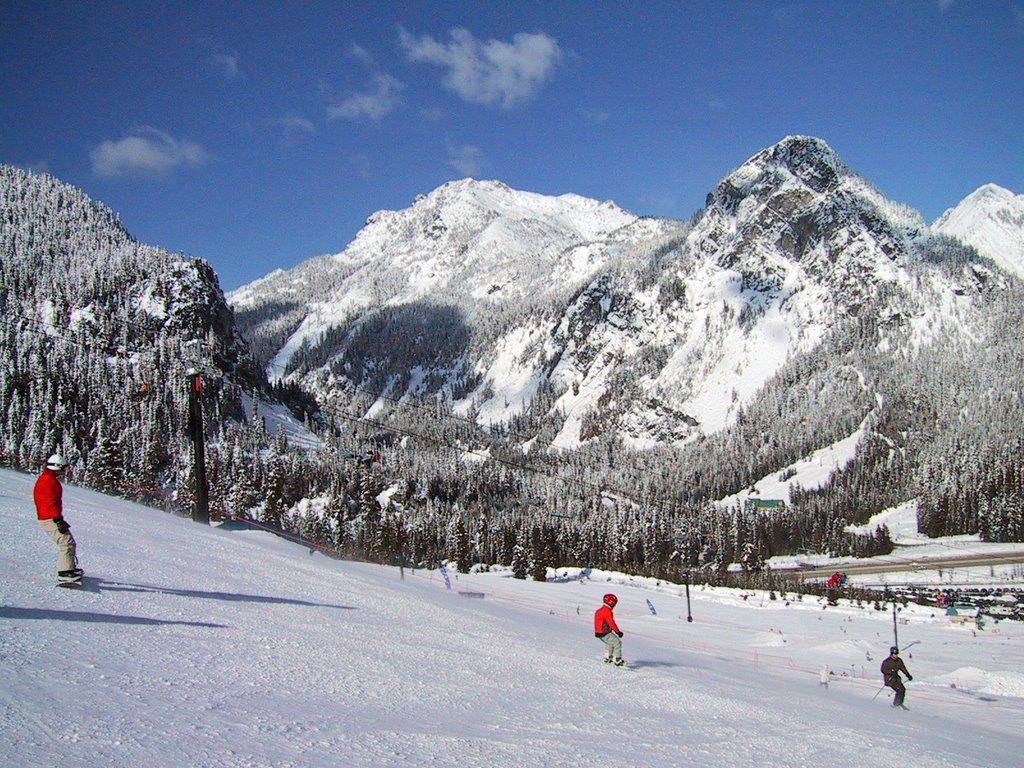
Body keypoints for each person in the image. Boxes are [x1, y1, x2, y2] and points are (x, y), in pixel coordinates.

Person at [33, 454, 82, 584]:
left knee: (68, 541)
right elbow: (50, 502)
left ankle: (68, 568)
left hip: (49, 516)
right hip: (49, 517)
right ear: (57, 467)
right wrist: (57, 519)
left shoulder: (48, 478)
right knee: (66, 542)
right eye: (63, 468)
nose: (64, 472)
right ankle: (65, 573)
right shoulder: (48, 481)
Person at [594, 593, 625, 666]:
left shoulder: (601, 610)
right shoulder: (607, 611)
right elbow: (611, 623)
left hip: (599, 632)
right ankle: (617, 659)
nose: (614, 605)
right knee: (617, 643)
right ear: (611, 602)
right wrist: (618, 632)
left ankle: (607, 657)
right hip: (604, 632)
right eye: (614, 603)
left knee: (610, 643)